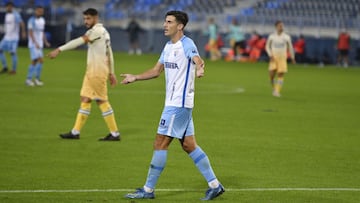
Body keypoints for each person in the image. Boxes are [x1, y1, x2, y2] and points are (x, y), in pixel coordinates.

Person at [121, 10, 225, 200]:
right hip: (176, 104)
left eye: (169, 22)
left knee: (160, 143)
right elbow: (155, 70)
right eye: (165, 21)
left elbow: (198, 60)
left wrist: (200, 69)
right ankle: (215, 185)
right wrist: (135, 77)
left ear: (180, 26)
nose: (164, 25)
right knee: (188, 145)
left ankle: (148, 190)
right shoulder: (168, 46)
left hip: (178, 104)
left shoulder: (187, 44)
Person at [48, 8, 120, 141]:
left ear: (95, 18)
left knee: (101, 100)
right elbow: (109, 54)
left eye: (88, 18)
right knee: (85, 99)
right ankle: (75, 132)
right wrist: (111, 72)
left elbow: (79, 42)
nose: (86, 21)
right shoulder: (104, 32)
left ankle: (115, 133)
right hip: (93, 71)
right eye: (84, 19)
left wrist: (59, 49)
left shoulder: (96, 31)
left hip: (97, 72)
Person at [265, 20, 295, 97]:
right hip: (273, 58)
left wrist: (292, 57)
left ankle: (277, 91)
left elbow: (290, 48)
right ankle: (274, 88)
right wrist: (270, 55)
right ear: (276, 27)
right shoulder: (272, 36)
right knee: (271, 75)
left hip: (282, 58)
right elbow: (267, 47)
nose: (281, 27)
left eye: (282, 26)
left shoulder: (286, 37)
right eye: (280, 26)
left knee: (280, 75)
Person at [25, 6, 50, 86]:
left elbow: (42, 32)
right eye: (39, 11)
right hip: (33, 45)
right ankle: (30, 79)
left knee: (37, 61)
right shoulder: (31, 20)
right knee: (38, 61)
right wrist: (35, 43)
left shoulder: (42, 20)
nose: (40, 12)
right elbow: (31, 33)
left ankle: (34, 79)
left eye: (41, 11)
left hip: (39, 45)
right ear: (35, 11)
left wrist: (45, 42)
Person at [0, 2, 26, 75]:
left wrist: (23, 32)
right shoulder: (7, 14)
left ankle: (14, 70)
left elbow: (22, 23)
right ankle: (5, 67)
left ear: (12, 7)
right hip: (6, 37)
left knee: (13, 53)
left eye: (10, 7)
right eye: (7, 7)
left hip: (13, 38)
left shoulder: (16, 15)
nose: (8, 8)